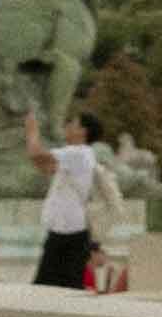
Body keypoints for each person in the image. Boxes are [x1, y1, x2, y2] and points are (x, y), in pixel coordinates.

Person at [23, 108, 106, 290]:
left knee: (51, 288)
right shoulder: (77, 156)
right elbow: (44, 166)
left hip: (69, 233)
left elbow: (36, 154)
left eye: (72, 123)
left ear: (82, 131)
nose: (67, 126)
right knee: (61, 287)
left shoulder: (78, 153)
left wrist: (31, 129)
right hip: (65, 231)